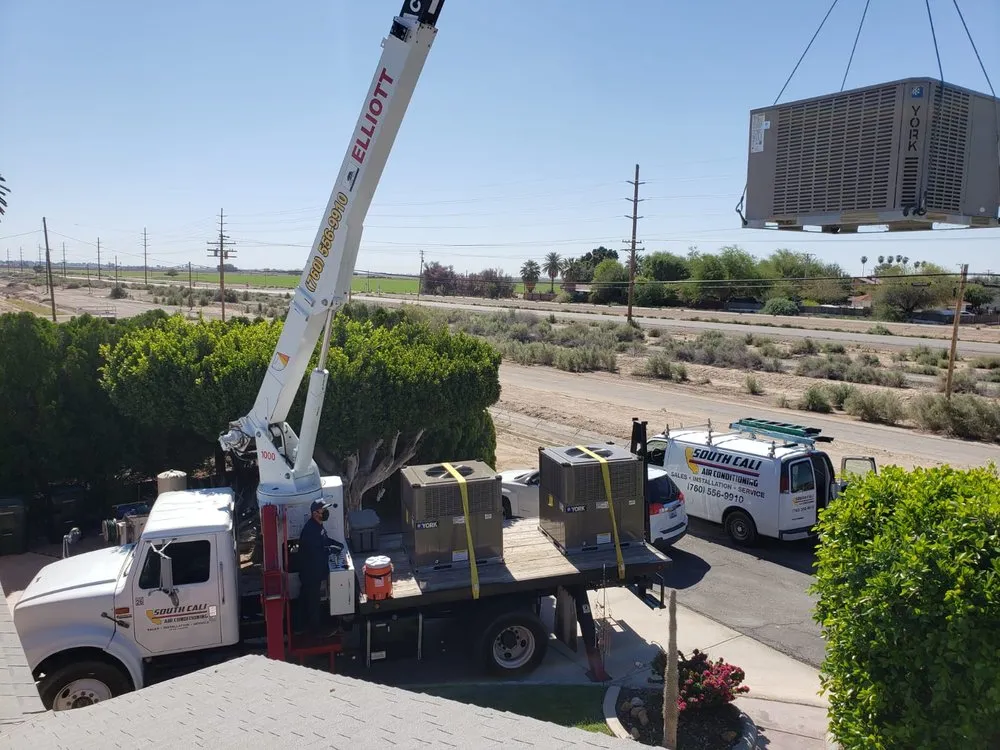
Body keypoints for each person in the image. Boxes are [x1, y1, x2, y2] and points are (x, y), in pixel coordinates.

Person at [298, 500, 341, 635]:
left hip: (314, 572)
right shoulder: (311, 530)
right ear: (315, 513)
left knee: (308, 600)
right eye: (323, 510)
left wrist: (337, 544)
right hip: (310, 574)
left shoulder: (319, 527)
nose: (325, 513)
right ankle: (315, 633)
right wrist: (331, 550)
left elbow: (325, 541)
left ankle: (302, 626)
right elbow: (317, 551)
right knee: (313, 603)